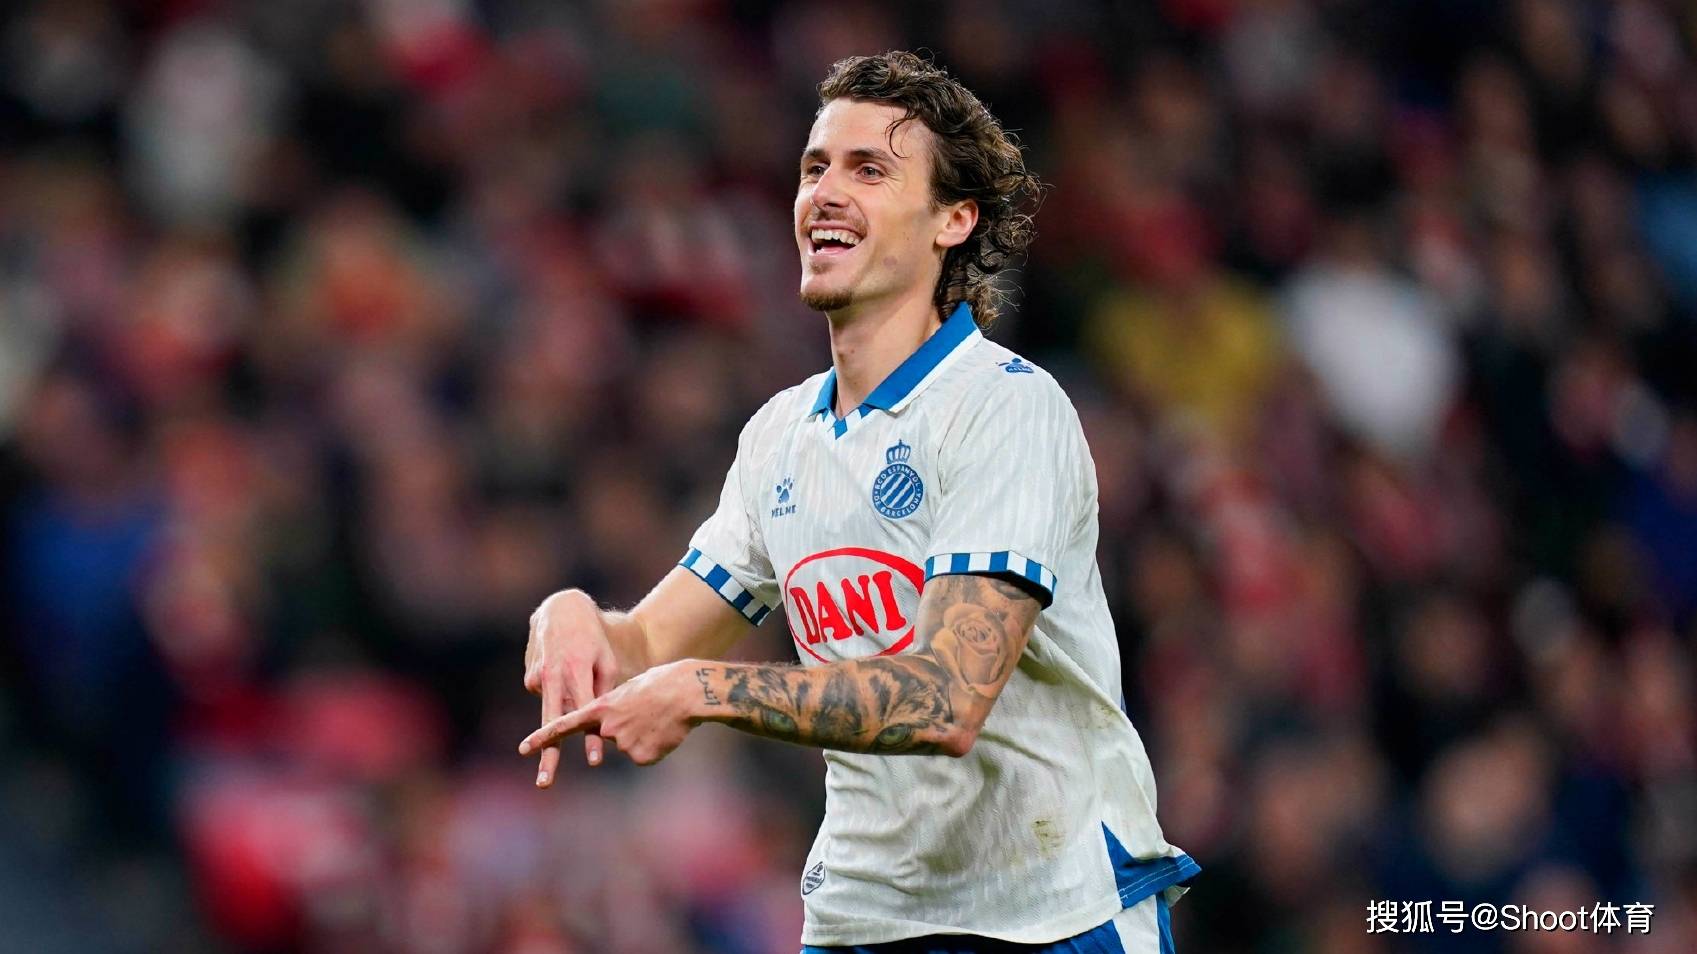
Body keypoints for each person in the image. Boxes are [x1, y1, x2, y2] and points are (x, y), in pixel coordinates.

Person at [519, 51, 1198, 952]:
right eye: (815, 168)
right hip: (864, 917)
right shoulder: (779, 436)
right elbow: (649, 643)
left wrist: (706, 690)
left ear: (953, 219)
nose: (825, 194)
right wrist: (574, 616)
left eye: (869, 170)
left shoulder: (1004, 408)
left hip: (1051, 912)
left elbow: (946, 699)